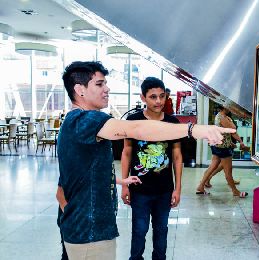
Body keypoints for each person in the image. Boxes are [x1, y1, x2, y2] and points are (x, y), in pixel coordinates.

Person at [56, 61, 234, 260]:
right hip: (90, 234)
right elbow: (137, 129)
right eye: (99, 84)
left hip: (78, 228)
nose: (107, 89)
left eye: (105, 83)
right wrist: (193, 129)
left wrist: (117, 182)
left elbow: (64, 187)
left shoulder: (72, 122)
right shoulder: (86, 120)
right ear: (80, 89)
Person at [120, 77, 182, 260]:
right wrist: (124, 185)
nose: (158, 101)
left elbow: (177, 156)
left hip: (164, 190)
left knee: (161, 231)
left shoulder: (172, 122)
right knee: (139, 231)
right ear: (143, 97)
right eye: (153, 97)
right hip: (139, 189)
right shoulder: (133, 120)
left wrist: (177, 188)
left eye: (162, 96)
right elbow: (126, 152)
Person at [196, 106, 248, 198]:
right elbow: (233, 131)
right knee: (228, 171)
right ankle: (235, 191)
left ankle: (201, 186)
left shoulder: (219, 116)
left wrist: (230, 142)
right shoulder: (223, 118)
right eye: (229, 107)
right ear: (224, 107)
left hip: (217, 145)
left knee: (212, 166)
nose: (231, 108)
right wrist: (240, 142)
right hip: (223, 148)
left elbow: (223, 132)